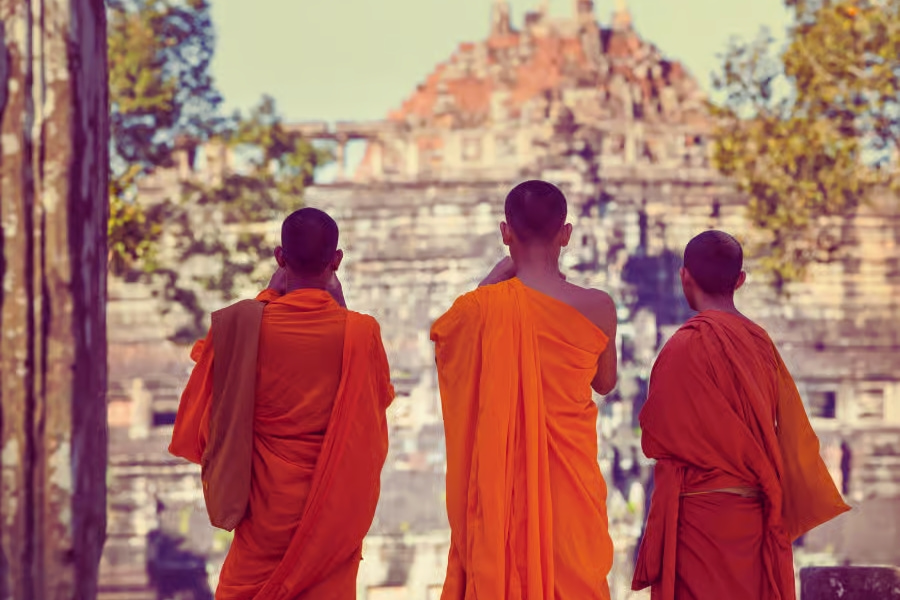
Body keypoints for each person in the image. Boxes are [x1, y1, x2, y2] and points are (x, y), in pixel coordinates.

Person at [169, 208, 395, 599]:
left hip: (263, 515)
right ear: (336, 260)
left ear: (280, 257)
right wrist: (340, 310)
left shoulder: (243, 324)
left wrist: (267, 297)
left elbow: (206, 412)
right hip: (331, 514)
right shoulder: (360, 332)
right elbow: (373, 406)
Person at [631, 230, 850, 600]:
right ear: (740, 281)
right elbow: (785, 429)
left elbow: (657, 436)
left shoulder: (681, 347)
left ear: (684, 276)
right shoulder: (759, 343)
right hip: (753, 515)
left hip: (700, 518)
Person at [431, 180, 618, 600]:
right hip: (570, 487)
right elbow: (605, 383)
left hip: (502, 488)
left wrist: (493, 279)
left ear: (505, 233)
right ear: (565, 235)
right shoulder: (598, 306)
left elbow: (449, 342)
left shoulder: (480, 309)